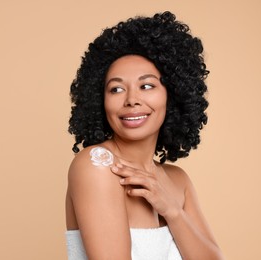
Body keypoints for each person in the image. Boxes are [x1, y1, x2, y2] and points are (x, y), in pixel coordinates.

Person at [65, 11, 224, 260]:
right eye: (116, 89)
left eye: (147, 86)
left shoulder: (178, 181)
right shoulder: (97, 165)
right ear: (99, 100)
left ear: (172, 94)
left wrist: (172, 211)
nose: (131, 100)